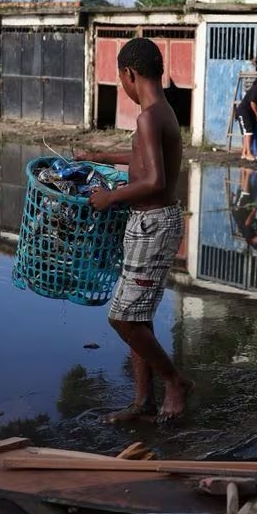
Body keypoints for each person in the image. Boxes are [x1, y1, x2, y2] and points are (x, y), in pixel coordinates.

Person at [81, 38, 191, 423]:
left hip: (153, 224)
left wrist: (110, 197)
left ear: (129, 74)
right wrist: (99, 156)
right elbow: (142, 156)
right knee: (138, 316)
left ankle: (175, 381)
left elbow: (155, 181)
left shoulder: (149, 117)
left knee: (123, 318)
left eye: (121, 80)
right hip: (149, 223)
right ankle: (142, 402)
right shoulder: (161, 110)